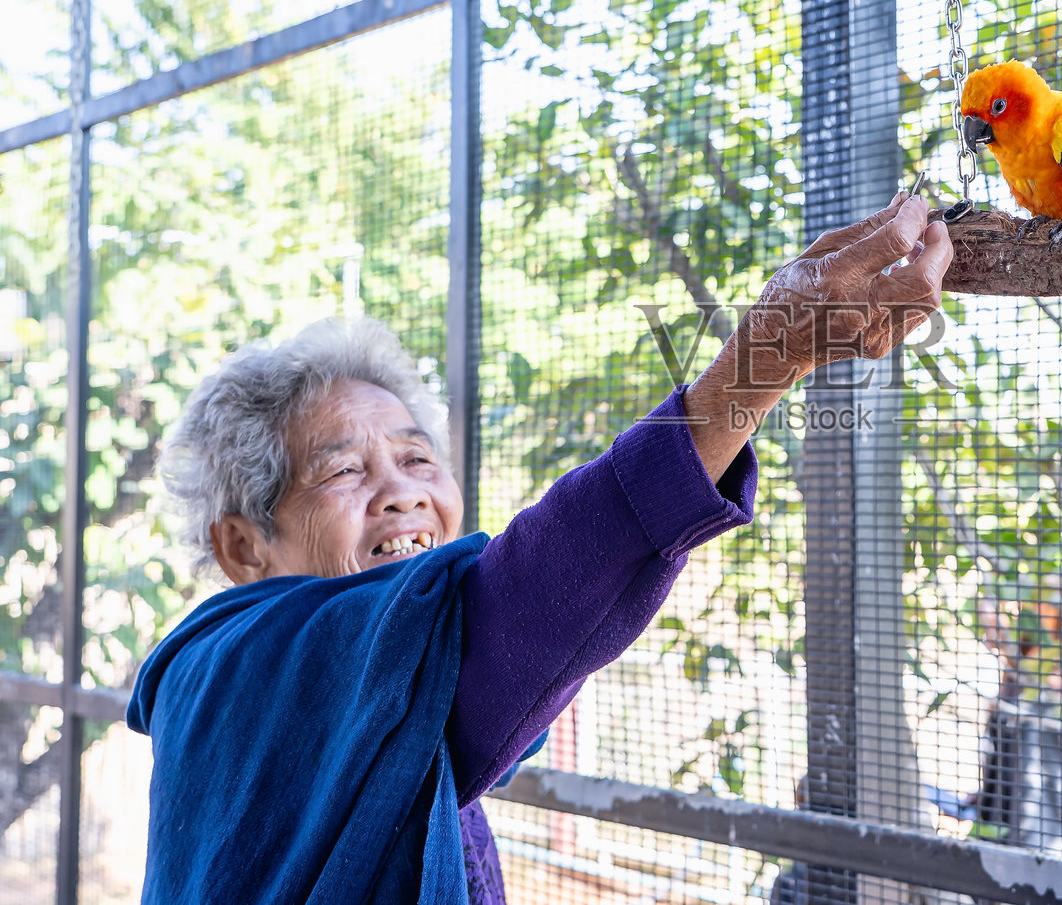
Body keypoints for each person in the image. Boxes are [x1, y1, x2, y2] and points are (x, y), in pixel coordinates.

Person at [128, 189, 952, 904]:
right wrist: (766, 353)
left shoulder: (214, 678)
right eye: (344, 469)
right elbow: (538, 583)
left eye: (418, 458)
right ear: (242, 546)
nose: (406, 491)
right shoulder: (282, 666)